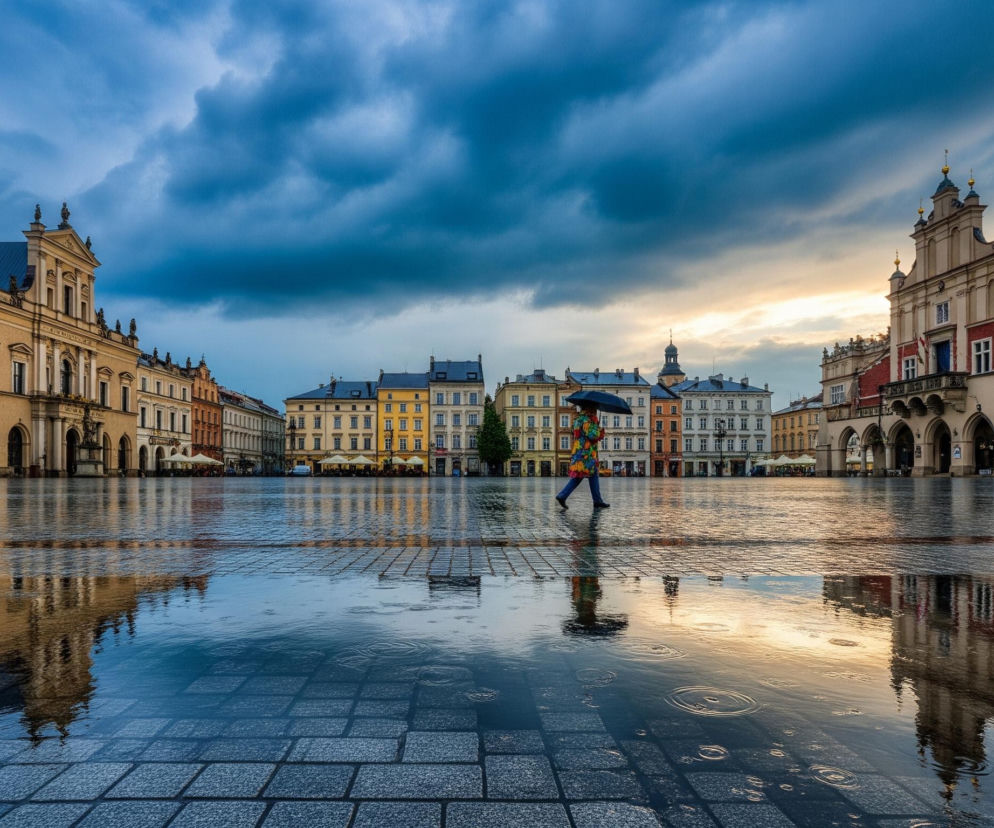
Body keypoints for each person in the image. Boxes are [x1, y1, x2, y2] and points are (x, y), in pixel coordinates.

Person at [556, 404, 609, 509]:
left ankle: (597, 500)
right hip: (586, 454)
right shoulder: (587, 420)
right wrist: (600, 430)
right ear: (589, 409)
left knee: (591, 474)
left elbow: (575, 432)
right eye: (594, 409)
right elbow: (593, 435)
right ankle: (562, 495)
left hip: (579, 451)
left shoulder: (578, 419)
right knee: (581, 475)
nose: (595, 411)